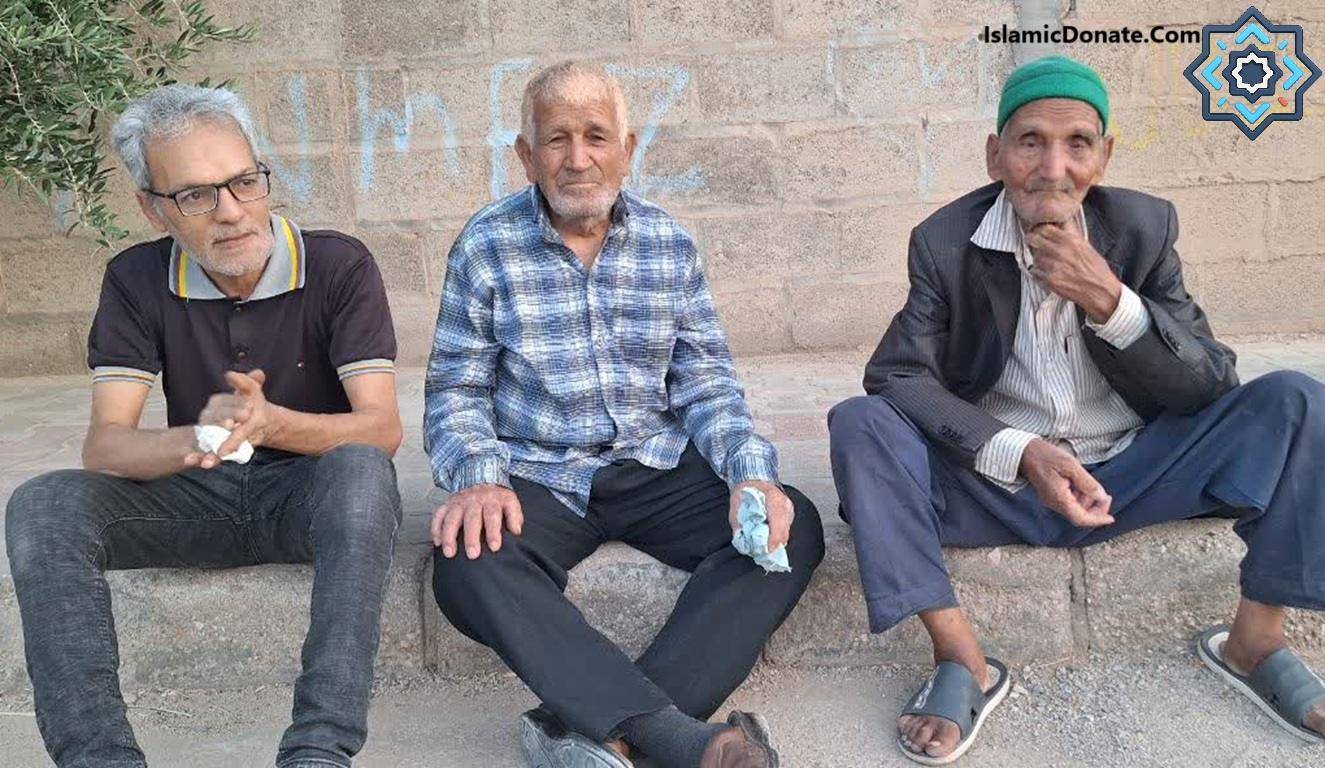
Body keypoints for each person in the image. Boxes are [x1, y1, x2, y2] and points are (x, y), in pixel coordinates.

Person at [828, 55, 1325, 763]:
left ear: (1103, 157)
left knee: (1298, 401)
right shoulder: (943, 243)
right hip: (998, 483)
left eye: (1076, 144)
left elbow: (1210, 383)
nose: (1051, 167)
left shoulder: (1141, 230)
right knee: (859, 423)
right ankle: (960, 659)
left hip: (1133, 475)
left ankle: (1255, 640)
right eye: (1028, 142)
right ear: (994, 156)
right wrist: (1018, 452)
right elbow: (899, 375)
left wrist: (1114, 305)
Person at [424, 61, 825, 768]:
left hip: (655, 464)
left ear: (627, 148)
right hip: (539, 471)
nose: (577, 159)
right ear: (525, 155)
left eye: (595, 136)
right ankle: (674, 740)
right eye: (556, 140)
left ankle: (588, 727)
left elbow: (705, 381)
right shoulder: (485, 247)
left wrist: (747, 474)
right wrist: (481, 477)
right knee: (464, 557)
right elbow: (456, 389)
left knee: (790, 523)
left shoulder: (667, 244)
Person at [5, 84, 404, 768]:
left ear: (261, 176)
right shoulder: (135, 279)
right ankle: (99, 758)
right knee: (42, 505)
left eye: (243, 182)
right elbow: (106, 445)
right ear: (153, 210)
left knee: (363, 471)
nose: (230, 213)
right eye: (195, 195)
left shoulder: (339, 265)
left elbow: (382, 428)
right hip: (196, 496)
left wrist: (270, 421)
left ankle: (318, 751)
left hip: (308, 498)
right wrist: (199, 437)